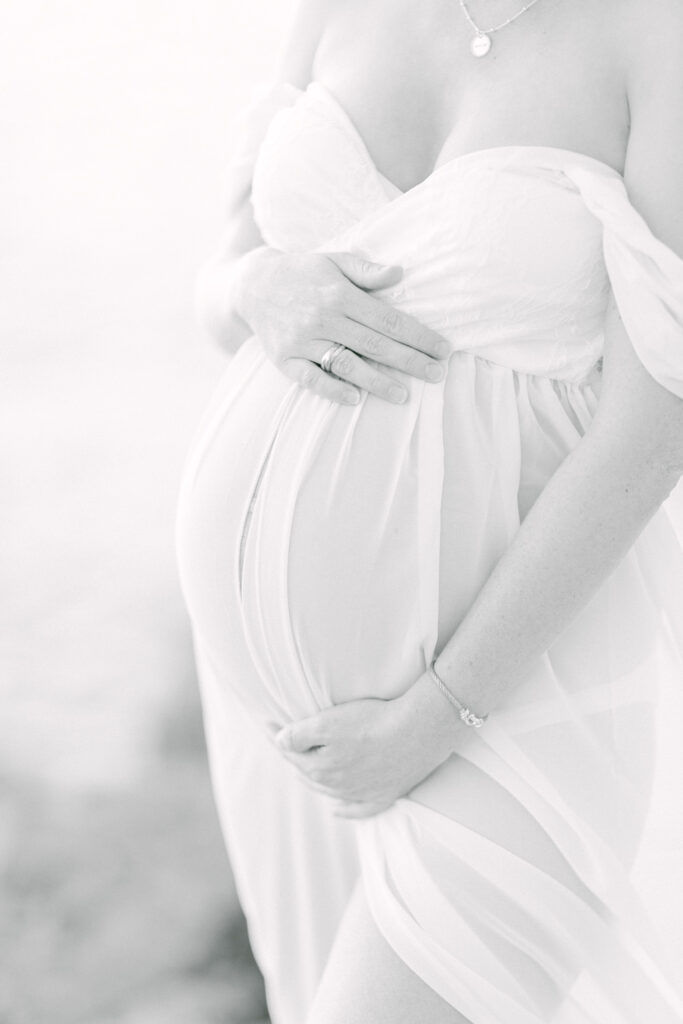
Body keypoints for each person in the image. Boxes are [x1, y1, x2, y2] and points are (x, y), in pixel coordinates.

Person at [176, 0, 683, 1021]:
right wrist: (262, 285)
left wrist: (434, 713)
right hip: (284, 724)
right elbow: (219, 284)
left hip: (517, 696)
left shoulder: (653, 37)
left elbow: (651, 430)